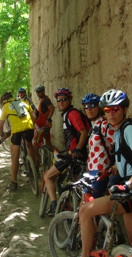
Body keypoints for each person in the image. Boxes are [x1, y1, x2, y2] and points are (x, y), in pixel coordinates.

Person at [79, 89, 132, 257]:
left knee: (85, 211)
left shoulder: (129, 131)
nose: (111, 114)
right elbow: (129, 162)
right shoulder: (120, 131)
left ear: (125, 109)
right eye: (107, 110)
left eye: (116, 109)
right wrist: (111, 169)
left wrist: (127, 185)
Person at [43, 88, 90, 216]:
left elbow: (83, 132)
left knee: (48, 176)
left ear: (70, 100)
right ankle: (73, 209)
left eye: (64, 99)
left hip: (73, 156)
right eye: (59, 100)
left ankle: (54, 206)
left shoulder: (72, 114)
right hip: (76, 155)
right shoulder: (67, 114)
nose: (61, 102)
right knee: (75, 185)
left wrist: (77, 149)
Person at [0, 92, 36, 191]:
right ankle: (35, 169)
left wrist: (2, 135)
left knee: (15, 157)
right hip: (29, 129)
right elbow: (34, 117)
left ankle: (14, 183)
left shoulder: (6, 106)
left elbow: (0, 126)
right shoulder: (23, 102)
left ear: (3, 101)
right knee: (29, 144)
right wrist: (31, 127)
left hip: (17, 133)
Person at [81, 93, 116, 198]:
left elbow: (119, 143)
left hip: (102, 171)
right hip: (92, 171)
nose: (89, 109)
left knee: (87, 205)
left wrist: (115, 166)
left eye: (92, 105)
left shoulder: (104, 125)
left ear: (100, 108)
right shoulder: (93, 126)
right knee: (86, 201)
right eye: (86, 106)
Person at [33, 85, 57, 167]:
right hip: (44, 125)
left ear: (43, 91)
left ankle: (36, 165)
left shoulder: (45, 99)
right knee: (48, 144)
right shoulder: (42, 99)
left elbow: (52, 108)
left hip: (43, 125)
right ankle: (59, 156)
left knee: (35, 145)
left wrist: (48, 118)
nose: (38, 93)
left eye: (40, 91)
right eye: (37, 92)